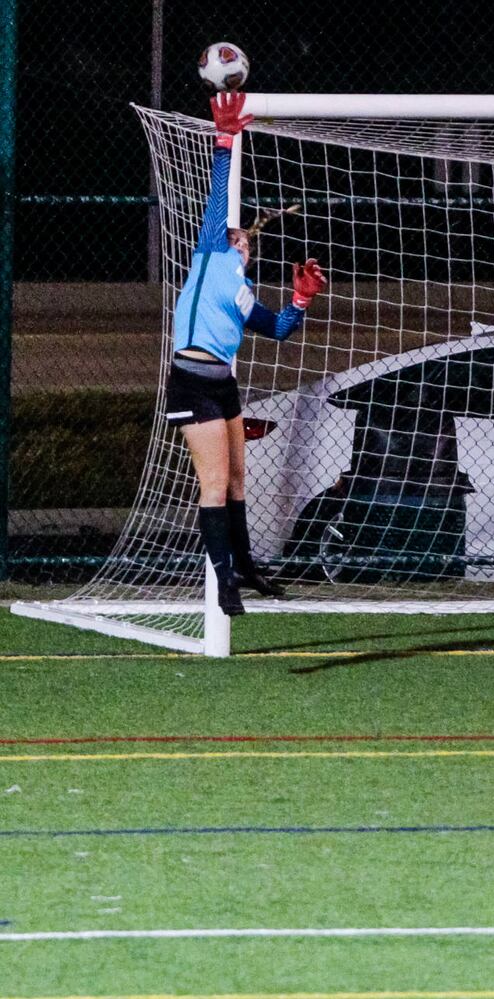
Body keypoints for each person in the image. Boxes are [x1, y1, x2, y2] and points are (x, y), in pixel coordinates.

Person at [165, 91, 327, 616]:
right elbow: (218, 199)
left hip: (223, 385)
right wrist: (224, 140)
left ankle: (247, 564)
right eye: (236, 235)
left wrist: (301, 299)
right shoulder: (211, 253)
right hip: (192, 380)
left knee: (237, 480)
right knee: (213, 483)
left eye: (243, 238)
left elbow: (279, 328)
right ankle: (223, 578)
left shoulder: (242, 292)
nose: (241, 239)